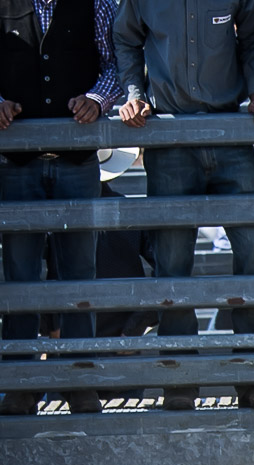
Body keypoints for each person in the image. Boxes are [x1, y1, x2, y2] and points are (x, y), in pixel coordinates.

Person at [113, 0, 254, 411]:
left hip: (231, 131)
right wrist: (136, 93)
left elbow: (252, 39)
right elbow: (125, 38)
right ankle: (179, 379)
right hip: (171, 137)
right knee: (172, 260)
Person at [0, 0, 122, 417]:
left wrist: (97, 98)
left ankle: (81, 382)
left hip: (77, 161)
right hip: (19, 163)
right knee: (20, 277)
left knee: (79, 276)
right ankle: (21, 385)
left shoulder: (99, 3)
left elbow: (117, 62)